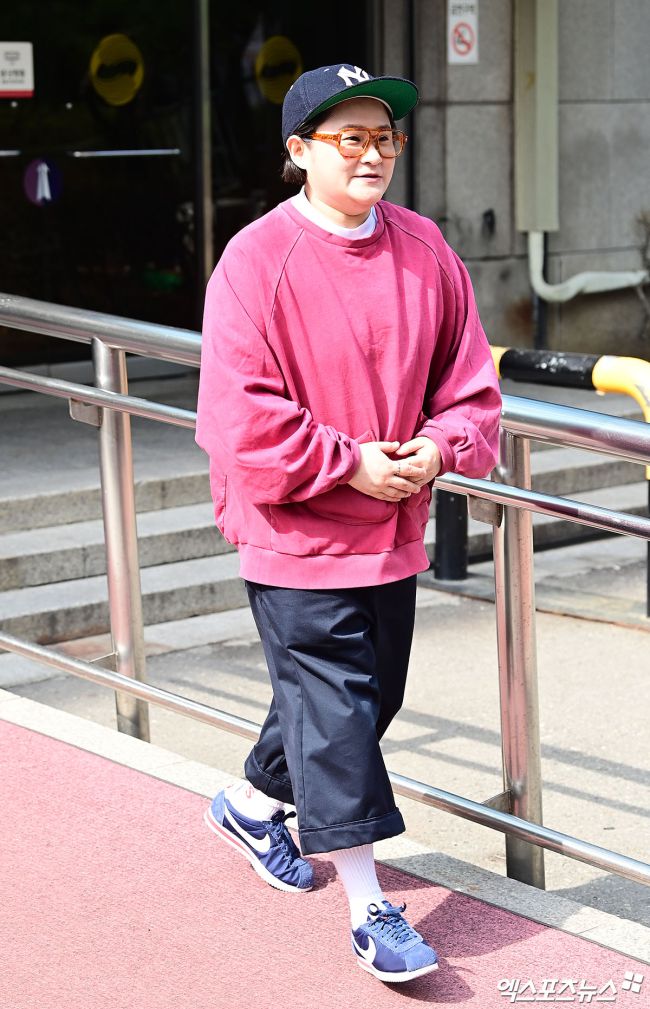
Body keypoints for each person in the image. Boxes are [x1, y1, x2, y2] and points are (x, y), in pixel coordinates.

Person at [195, 63, 502, 984]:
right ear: (299, 151)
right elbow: (239, 416)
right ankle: (371, 909)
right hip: (293, 533)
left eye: (385, 138)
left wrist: (440, 448)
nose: (374, 154)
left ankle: (253, 803)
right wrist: (349, 462)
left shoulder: (424, 248)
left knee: (366, 700)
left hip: (390, 529)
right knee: (338, 712)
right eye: (350, 138)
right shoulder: (256, 259)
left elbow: (470, 382)